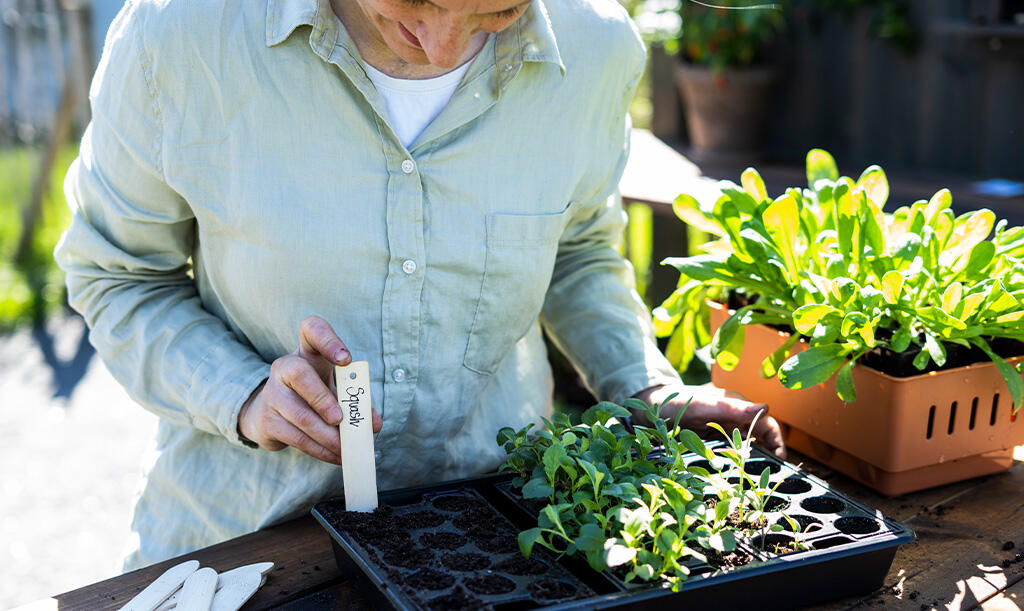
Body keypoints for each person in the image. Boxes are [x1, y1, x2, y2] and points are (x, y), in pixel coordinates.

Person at [55, 0, 785, 570]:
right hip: (245, 550)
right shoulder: (179, 38)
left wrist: (642, 382)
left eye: (498, 16)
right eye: (410, 4)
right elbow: (118, 276)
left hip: (495, 546)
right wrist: (244, 393)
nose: (443, 45)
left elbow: (578, 251)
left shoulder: (596, 48)